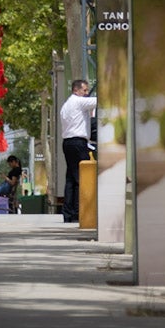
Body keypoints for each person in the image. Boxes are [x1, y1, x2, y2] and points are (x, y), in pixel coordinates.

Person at [61, 79, 97, 223]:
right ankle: (78, 212)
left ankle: (68, 213)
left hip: (67, 142)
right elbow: (99, 101)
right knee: (82, 178)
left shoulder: (66, 105)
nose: (86, 93)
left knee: (71, 179)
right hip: (78, 142)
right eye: (85, 90)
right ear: (76, 90)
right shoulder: (78, 101)